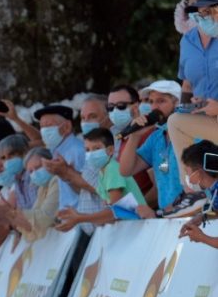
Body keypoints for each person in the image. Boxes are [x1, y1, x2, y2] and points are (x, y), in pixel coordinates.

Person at [118, 80, 195, 218]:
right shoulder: (156, 137)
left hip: (194, 215)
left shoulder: (191, 132)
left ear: (177, 102)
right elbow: (126, 170)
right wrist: (134, 136)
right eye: (151, 101)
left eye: (161, 101)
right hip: (168, 219)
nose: (154, 107)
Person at [55, 128, 146, 229]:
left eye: (96, 148)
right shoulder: (101, 172)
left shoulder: (112, 169)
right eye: (87, 150)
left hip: (140, 225)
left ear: (110, 150)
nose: (91, 154)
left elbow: (116, 210)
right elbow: (110, 209)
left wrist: (80, 218)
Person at [36, 104, 85, 211]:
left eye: (48, 126)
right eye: (42, 127)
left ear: (67, 127)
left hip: (80, 217)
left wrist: (66, 173)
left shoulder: (77, 151)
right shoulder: (56, 149)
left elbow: (87, 189)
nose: (44, 131)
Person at [179, 140, 218, 248]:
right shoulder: (214, 189)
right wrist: (201, 218)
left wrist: (202, 238)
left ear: (199, 172)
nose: (188, 179)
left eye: (187, 172)